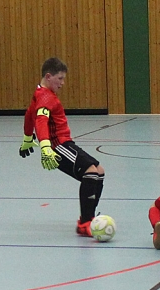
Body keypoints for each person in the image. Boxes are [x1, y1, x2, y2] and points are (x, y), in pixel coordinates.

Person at [20, 57, 104, 237]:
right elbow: (40, 120)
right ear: (48, 76)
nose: (63, 83)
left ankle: (89, 216)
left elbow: (29, 115)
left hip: (66, 143)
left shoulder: (40, 93)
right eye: (60, 78)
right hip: (58, 145)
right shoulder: (46, 96)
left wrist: (27, 137)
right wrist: (45, 146)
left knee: (99, 171)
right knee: (91, 172)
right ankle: (85, 223)